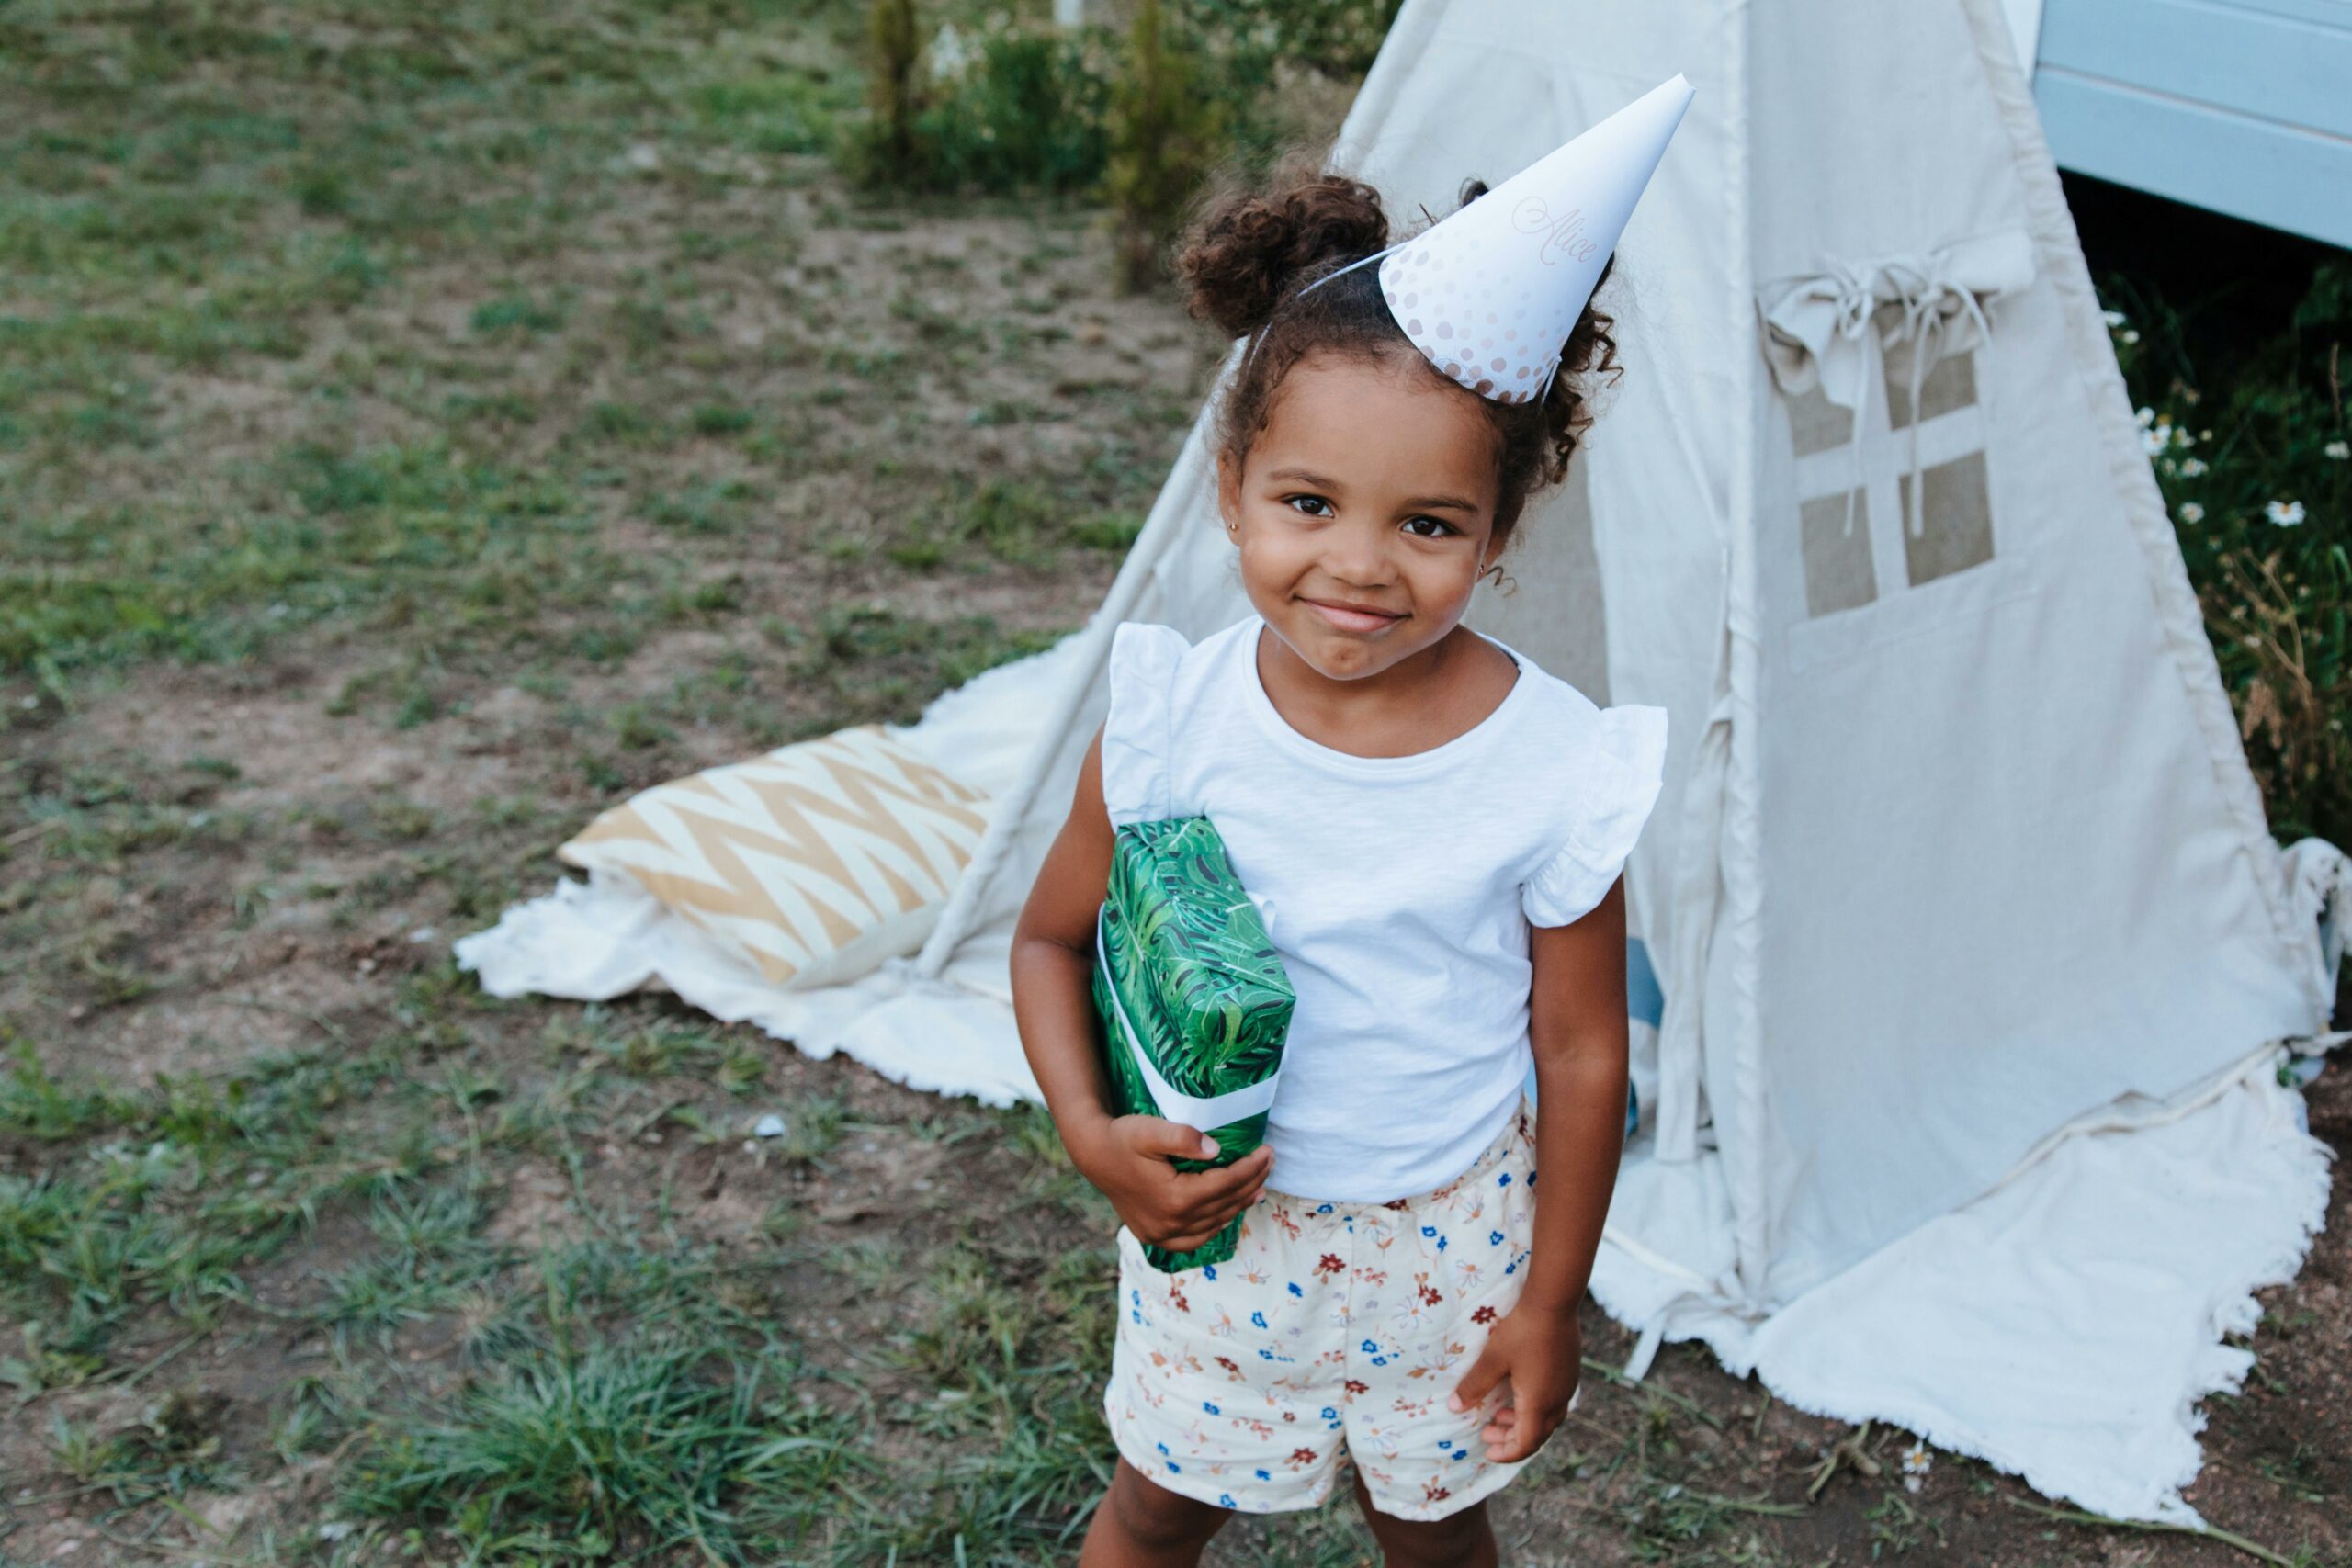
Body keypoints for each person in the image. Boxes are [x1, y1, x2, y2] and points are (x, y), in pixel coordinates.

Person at [1010, 91, 1685, 1568]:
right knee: (1156, 1507)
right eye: (1308, 501)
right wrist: (1089, 1133)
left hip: (1446, 1247)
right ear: (1232, 488)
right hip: (1218, 1241)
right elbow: (1052, 939)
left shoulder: (1555, 766)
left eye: (1429, 525)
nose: (1359, 568)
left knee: (1435, 1532)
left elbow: (1581, 1050)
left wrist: (1551, 1300)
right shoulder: (1175, 722)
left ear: (1500, 535)